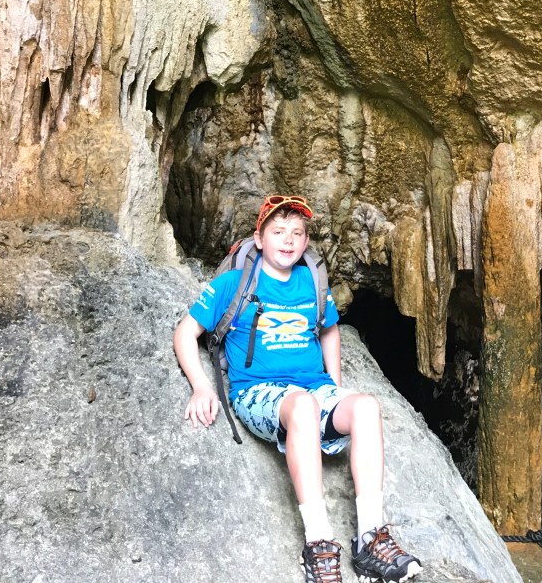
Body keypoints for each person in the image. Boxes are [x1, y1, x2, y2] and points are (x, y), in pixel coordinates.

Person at [173, 194, 423, 583]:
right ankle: (319, 543)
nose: (288, 240)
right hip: (259, 392)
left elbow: (330, 329)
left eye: (297, 233)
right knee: (304, 407)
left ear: (305, 242)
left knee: (367, 407)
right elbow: (185, 333)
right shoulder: (233, 283)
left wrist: (336, 388)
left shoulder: (311, 280)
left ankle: (370, 540)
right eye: (278, 232)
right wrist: (201, 387)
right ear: (259, 239)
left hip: (313, 389)